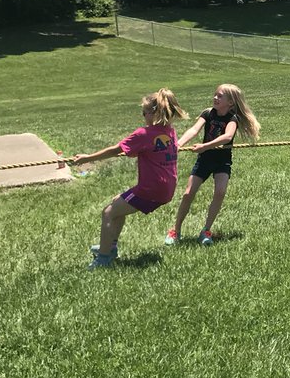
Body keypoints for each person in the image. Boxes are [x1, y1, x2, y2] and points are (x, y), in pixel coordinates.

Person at [73, 88, 187, 269]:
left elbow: (116, 149)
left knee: (109, 213)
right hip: (167, 188)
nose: (143, 116)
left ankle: (104, 258)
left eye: (144, 112)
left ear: (154, 113)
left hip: (151, 189)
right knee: (117, 202)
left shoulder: (144, 133)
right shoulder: (169, 131)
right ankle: (109, 245)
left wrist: (87, 158)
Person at [168, 84, 261, 246]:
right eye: (215, 95)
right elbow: (194, 130)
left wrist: (204, 146)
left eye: (220, 96)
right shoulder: (208, 113)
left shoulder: (233, 118)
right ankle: (176, 231)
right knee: (188, 193)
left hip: (222, 161)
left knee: (220, 192)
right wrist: (179, 144)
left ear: (230, 103)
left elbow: (227, 136)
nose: (215, 98)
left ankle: (206, 231)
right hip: (205, 160)